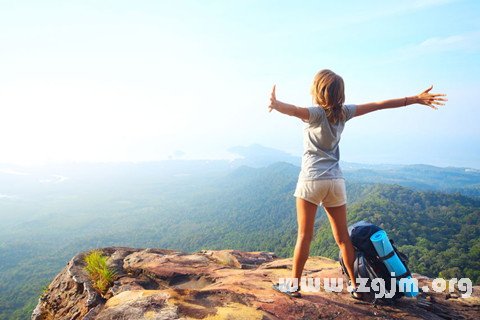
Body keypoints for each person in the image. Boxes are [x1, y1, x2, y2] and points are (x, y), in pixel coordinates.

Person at [269, 69, 447, 299]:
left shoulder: (315, 113)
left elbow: (293, 110)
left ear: (318, 91)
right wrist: (414, 99)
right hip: (335, 181)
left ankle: (293, 286)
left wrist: (276, 103)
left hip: (312, 179)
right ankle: (355, 287)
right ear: (339, 94)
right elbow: (378, 104)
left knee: (304, 235)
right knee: (343, 238)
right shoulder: (344, 113)